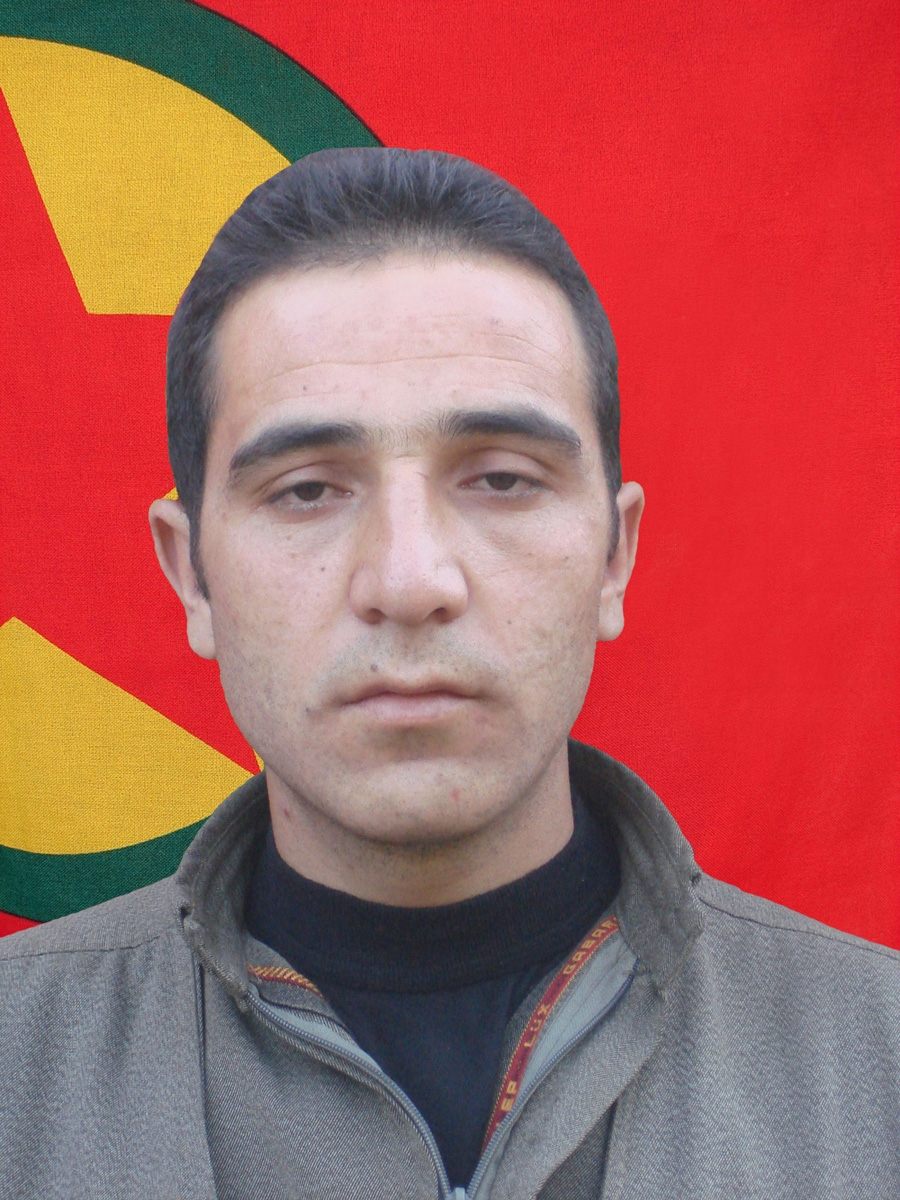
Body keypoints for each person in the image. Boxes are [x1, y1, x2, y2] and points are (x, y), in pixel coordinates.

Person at [1, 148, 898, 1200]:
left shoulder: (877, 1066)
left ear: (615, 557)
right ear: (191, 572)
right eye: (307, 490)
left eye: (503, 479)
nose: (410, 580)